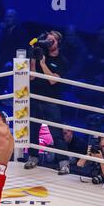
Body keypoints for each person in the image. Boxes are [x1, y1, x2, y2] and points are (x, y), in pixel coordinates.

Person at [24, 30, 71, 175]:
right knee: (33, 129)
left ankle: (63, 163)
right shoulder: (40, 55)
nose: (50, 43)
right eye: (48, 40)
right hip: (35, 98)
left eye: (53, 41)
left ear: (58, 43)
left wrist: (43, 64)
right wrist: (33, 59)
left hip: (51, 101)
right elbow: (31, 78)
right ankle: (33, 158)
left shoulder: (62, 60)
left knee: (56, 133)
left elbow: (52, 80)